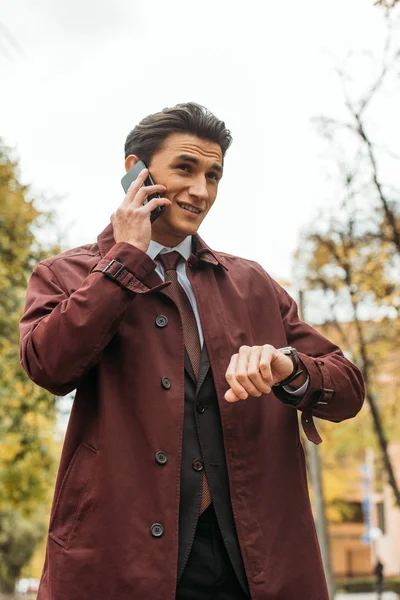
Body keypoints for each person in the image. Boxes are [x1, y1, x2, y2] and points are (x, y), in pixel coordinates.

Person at [20, 102, 365, 600]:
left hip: (254, 564)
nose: (201, 191)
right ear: (135, 171)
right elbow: (49, 365)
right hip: (121, 562)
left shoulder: (253, 284)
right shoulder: (66, 275)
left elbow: (346, 386)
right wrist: (125, 261)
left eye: (214, 175)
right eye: (185, 168)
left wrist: (289, 368)